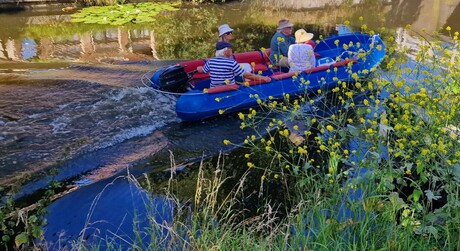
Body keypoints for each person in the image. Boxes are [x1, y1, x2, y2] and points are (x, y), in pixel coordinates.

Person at [197, 41, 271, 88]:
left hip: (214, 89)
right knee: (245, 78)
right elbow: (247, 75)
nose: (231, 50)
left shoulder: (211, 61)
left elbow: (202, 70)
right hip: (229, 89)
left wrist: (199, 68)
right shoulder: (232, 62)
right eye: (230, 49)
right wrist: (263, 78)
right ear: (225, 51)